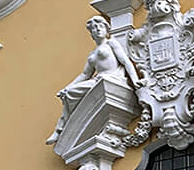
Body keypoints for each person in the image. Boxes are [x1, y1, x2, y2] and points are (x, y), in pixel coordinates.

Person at [47, 16, 141, 145]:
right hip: (98, 80)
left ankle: (60, 129)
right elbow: (85, 74)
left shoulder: (111, 43)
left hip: (112, 78)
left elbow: (125, 61)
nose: (97, 30)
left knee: (73, 91)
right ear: (91, 33)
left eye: (100, 27)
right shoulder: (92, 54)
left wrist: (135, 81)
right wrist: (67, 87)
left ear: (106, 29)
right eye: (94, 28)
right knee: (69, 93)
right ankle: (60, 129)